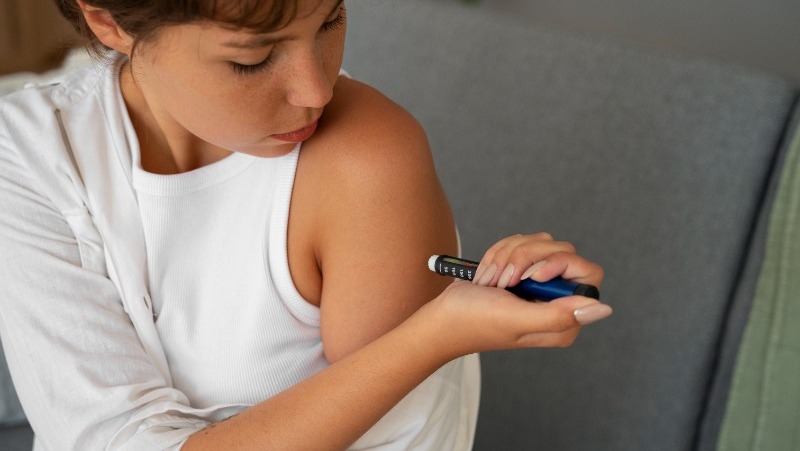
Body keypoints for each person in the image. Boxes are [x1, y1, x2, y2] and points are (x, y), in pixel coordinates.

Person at [0, 0, 612, 449]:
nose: (315, 90)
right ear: (109, 22)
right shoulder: (29, 153)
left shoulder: (368, 160)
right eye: (253, 59)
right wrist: (431, 335)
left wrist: (439, 333)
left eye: (331, 20)